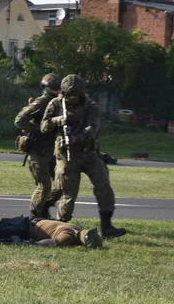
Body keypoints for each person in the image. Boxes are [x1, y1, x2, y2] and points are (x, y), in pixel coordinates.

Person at [40, 74, 127, 238]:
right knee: (67, 192)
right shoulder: (56, 103)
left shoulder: (90, 105)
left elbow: (93, 128)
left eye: (76, 95)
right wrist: (59, 120)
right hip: (66, 154)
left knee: (103, 184)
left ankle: (107, 226)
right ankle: (61, 227)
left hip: (88, 152)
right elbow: (44, 126)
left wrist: (77, 137)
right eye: (69, 95)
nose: (72, 98)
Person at [14, 73, 62, 220]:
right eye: (54, 88)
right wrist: (40, 128)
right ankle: (35, 215)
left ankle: (44, 208)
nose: (57, 91)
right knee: (45, 185)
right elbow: (19, 120)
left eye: (58, 88)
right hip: (38, 149)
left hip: (54, 150)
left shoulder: (61, 102)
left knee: (61, 186)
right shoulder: (41, 102)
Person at [0, 215, 103, 249]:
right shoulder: (68, 236)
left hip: (30, 221)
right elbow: (50, 243)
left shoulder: (77, 228)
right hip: (26, 228)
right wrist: (29, 244)